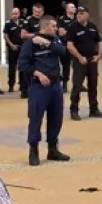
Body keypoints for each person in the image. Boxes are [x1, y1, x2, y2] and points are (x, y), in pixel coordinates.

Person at [17, 16, 71, 167]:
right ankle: (33, 151)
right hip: (38, 87)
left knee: (56, 118)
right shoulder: (30, 44)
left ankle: (52, 149)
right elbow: (22, 65)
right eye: (53, 26)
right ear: (44, 26)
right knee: (35, 118)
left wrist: (46, 43)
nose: (56, 28)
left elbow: (62, 51)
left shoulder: (54, 40)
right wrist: (38, 74)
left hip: (55, 86)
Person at [66, 6, 102, 121]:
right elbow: (69, 45)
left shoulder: (93, 27)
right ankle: (74, 110)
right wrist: (79, 56)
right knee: (77, 86)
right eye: (78, 13)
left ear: (87, 15)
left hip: (92, 60)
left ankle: (94, 109)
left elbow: (99, 42)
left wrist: (99, 55)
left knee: (93, 85)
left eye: (82, 13)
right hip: (79, 62)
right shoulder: (73, 27)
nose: (79, 15)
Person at [3, 8, 25, 94]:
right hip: (13, 48)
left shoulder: (23, 22)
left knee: (22, 66)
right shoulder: (8, 24)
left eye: (16, 13)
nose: (15, 15)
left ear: (19, 14)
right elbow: (5, 36)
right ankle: (11, 85)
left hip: (22, 48)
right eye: (13, 14)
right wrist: (11, 45)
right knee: (12, 67)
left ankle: (22, 84)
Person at [57, 3, 77, 91]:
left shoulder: (77, 19)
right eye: (72, 7)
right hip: (65, 45)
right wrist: (73, 31)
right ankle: (64, 83)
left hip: (76, 46)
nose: (74, 9)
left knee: (77, 65)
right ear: (67, 9)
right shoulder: (62, 19)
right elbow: (61, 33)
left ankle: (78, 83)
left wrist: (68, 31)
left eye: (74, 7)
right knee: (66, 65)